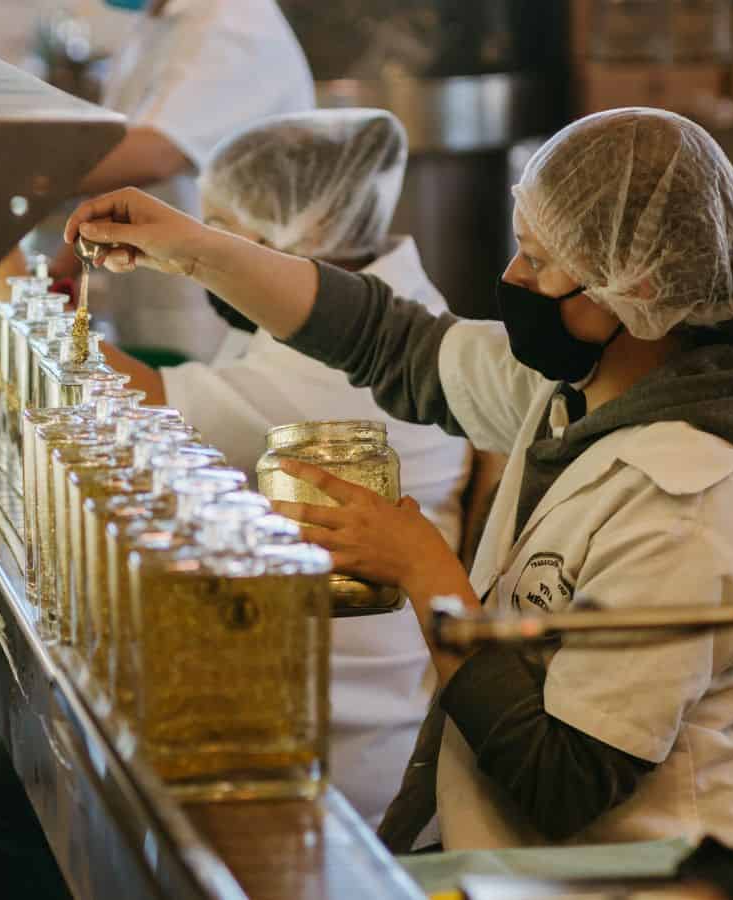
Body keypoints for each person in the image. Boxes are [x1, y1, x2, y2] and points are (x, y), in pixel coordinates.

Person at [64, 107, 733, 862]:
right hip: (525, 855)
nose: (511, 278)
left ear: (628, 291)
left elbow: (562, 781)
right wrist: (199, 250)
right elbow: (387, 340)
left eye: (536, 260)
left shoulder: (690, 507)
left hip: (659, 878)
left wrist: (425, 571)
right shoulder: (581, 389)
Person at [99, 107, 472, 826]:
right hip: (285, 687)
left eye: (218, 235)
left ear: (293, 236)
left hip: (333, 743)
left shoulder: (342, 371)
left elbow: (127, 405)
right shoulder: (378, 300)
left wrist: (1, 281)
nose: (203, 256)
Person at [57, 0, 315, 361]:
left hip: (220, 310)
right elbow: (115, 161)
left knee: (205, 409)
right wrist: (63, 269)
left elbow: (155, 154)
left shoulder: (233, 22)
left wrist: (16, 180)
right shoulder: (156, 22)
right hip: (157, 293)